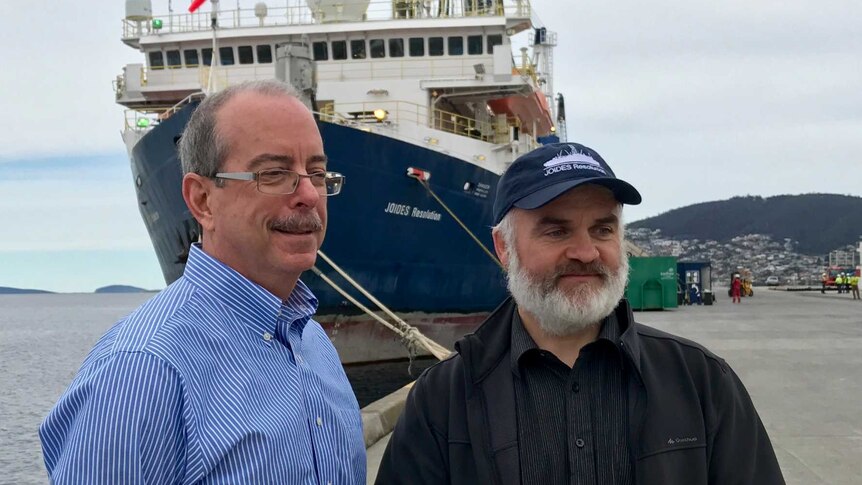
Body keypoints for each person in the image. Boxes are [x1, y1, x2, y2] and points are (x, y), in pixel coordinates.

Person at [376, 142, 784, 484]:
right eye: (557, 231)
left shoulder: (702, 382)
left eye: (603, 230)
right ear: (504, 248)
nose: (586, 252)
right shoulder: (443, 402)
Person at [39, 80, 365, 483]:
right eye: (274, 173)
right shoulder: (141, 373)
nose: (310, 195)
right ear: (202, 201)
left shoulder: (314, 345)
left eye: (316, 173)